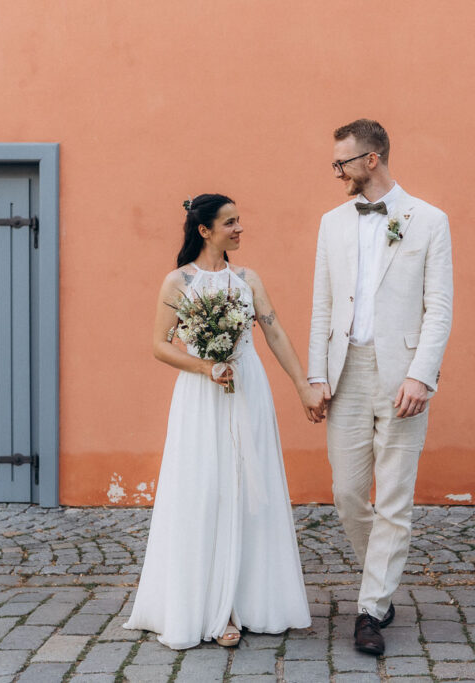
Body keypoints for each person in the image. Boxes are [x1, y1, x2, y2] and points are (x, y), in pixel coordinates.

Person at [123, 193, 325, 649]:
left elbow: (273, 331)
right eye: (231, 222)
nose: (239, 229)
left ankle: (245, 600)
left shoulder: (248, 278)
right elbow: (160, 345)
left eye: (239, 221)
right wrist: (205, 367)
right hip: (202, 395)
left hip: (248, 389)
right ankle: (211, 604)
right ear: (204, 230)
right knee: (206, 488)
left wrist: (303, 387)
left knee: (249, 490)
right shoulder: (178, 281)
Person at [308, 119, 453, 655]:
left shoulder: (429, 220)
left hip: (401, 374)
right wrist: (315, 375)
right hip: (345, 371)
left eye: (342, 162)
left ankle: (371, 608)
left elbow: (438, 308)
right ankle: (383, 581)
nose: (337, 172)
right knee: (347, 493)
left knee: (393, 497)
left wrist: (422, 374)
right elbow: (322, 303)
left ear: (372, 159)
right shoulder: (331, 223)